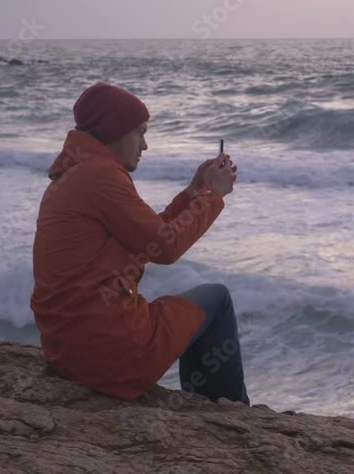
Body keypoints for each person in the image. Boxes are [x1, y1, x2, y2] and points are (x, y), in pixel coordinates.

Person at [31, 81, 250, 406]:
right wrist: (213, 196)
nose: (144, 145)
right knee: (217, 299)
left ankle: (208, 405)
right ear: (116, 130)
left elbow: (146, 239)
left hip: (67, 349)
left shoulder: (77, 172)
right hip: (109, 352)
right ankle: (227, 410)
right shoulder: (101, 176)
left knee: (186, 311)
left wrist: (193, 193)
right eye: (140, 133)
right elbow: (165, 247)